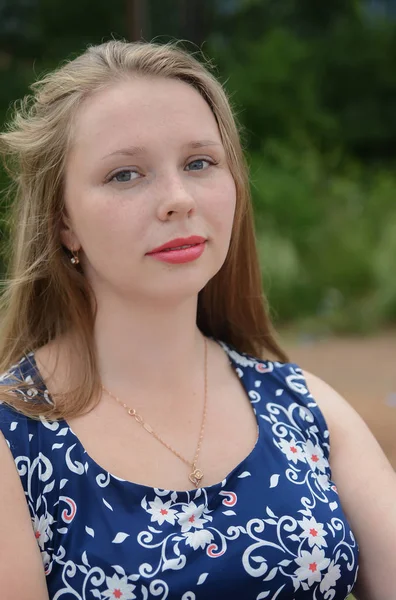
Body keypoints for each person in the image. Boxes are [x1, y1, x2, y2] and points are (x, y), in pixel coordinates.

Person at [0, 40, 394, 600]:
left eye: (199, 163)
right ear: (63, 222)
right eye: (125, 175)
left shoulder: (305, 409)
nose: (178, 199)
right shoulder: (14, 438)